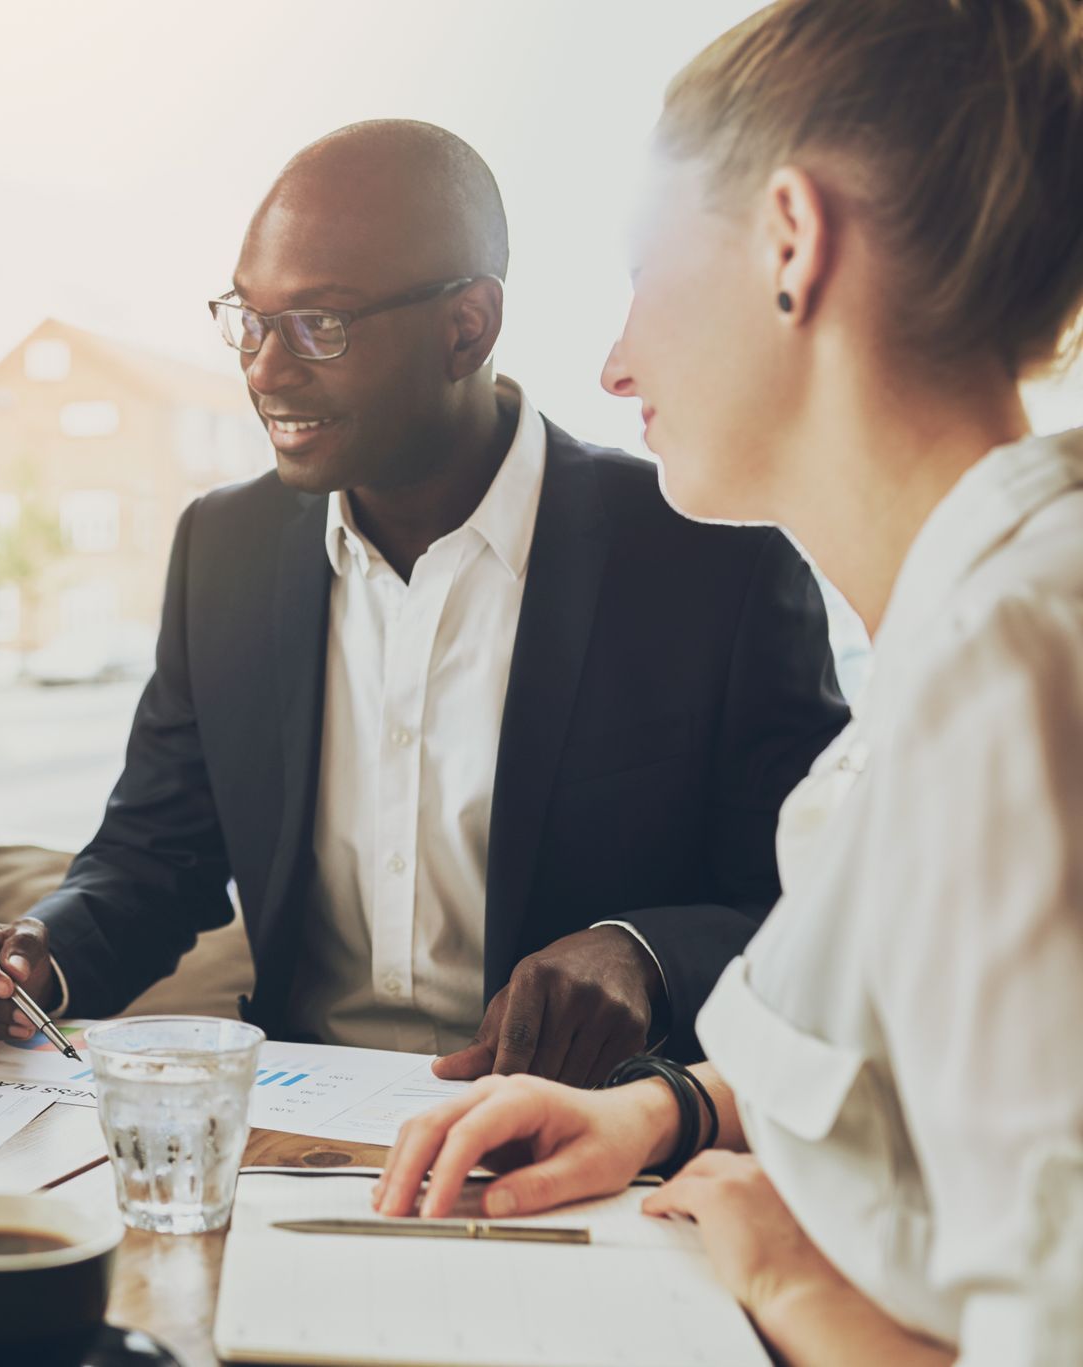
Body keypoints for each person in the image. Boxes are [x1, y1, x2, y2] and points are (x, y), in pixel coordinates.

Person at [375, 2, 1083, 1362]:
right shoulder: (967, 645)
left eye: (645, 271)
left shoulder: (1011, 679)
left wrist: (797, 1285)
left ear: (791, 241)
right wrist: (663, 1112)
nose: (614, 361)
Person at [0, 120, 848, 1080]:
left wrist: (642, 953)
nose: (265, 369)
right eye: (249, 320)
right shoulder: (222, 551)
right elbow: (150, 861)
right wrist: (31, 956)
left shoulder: (711, 559)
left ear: (467, 326)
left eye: (321, 323)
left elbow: (822, 906)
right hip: (290, 1129)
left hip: (584, 1133)